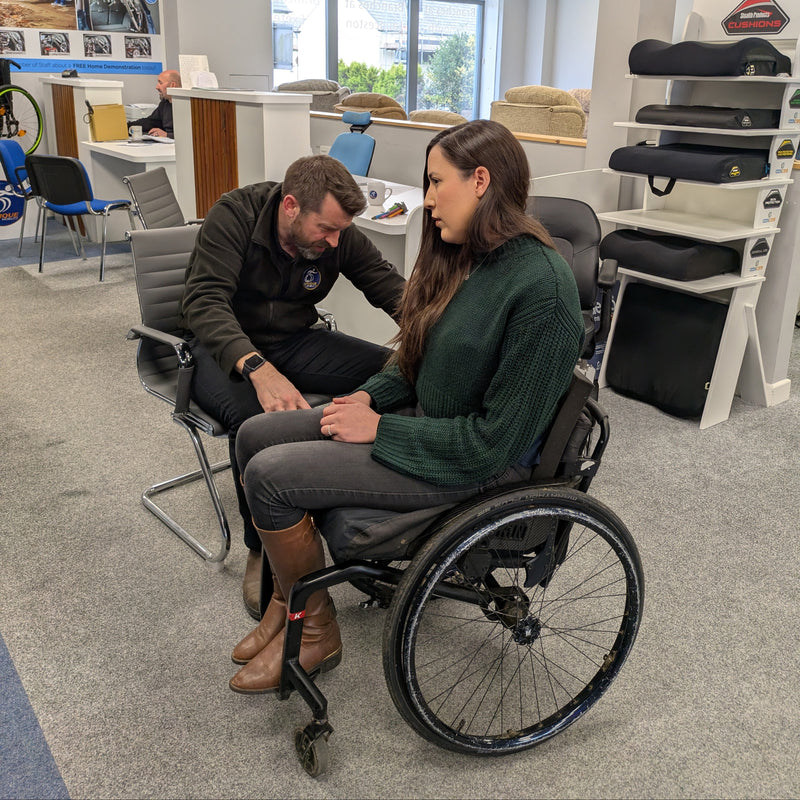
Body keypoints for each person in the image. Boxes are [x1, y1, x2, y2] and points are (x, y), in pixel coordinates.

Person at [227, 119, 585, 694]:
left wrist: (378, 431)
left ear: (480, 181)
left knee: (269, 477)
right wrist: (369, 396)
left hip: (470, 465)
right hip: (432, 428)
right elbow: (419, 360)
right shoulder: (471, 258)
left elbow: (490, 447)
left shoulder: (541, 290)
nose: (427, 198)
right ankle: (284, 600)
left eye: (436, 181)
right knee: (253, 435)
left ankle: (316, 630)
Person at [180, 155, 406, 619]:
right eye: (325, 229)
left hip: (297, 340)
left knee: (396, 374)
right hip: (221, 349)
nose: (335, 241)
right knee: (255, 423)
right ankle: (262, 545)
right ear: (289, 206)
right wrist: (259, 370)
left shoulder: (335, 232)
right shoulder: (235, 216)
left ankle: (380, 510)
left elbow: (388, 287)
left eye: (341, 231)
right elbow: (203, 302)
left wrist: (438, 337)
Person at [128, 70, 181, 138]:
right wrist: (124, 128)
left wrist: (167, 135)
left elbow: (191, 134)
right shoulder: (165, 103)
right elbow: (150, 122)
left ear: (172, 85)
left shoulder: (187, 105)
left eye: (160, 83)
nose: (157, 87)